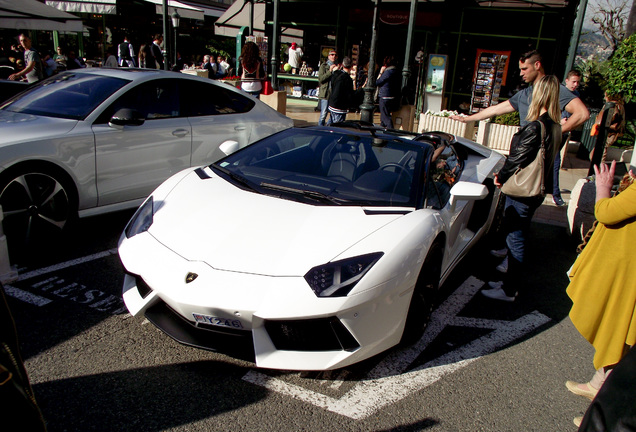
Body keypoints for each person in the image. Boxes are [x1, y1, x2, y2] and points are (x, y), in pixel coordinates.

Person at [480, 75, 563, 302]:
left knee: (515, 239)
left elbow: (517, 158)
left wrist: (501, 176)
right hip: (536, 190)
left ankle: (509, 290)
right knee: (518, 235)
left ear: (540, 95)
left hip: (522, 191)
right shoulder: (556, 126)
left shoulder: (536, 127)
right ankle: (509, 283)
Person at [564, 159, 635, 419]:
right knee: (620, 334)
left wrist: (603, 188)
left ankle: (607, 418)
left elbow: (605, 212)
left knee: (622, 335)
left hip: (629, 275)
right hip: (626, 272)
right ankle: (599, 386)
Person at [451, 50, 589, 135]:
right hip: (526, 149)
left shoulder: (555, 90)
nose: (521, 73)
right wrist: (467, 119)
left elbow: (582, 114)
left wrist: (556, 133)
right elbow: (495, 109)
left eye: (524, 69)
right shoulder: (524, 94)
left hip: (543, 155)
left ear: (537, 65)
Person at [553, 69, 583, 206]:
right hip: (554, 131)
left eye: (578, 82)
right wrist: (559, 122)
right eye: (574, 81)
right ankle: (555, 194)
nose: (576, 84)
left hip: (564, 133)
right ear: (567, 81)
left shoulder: (576, 95)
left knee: (552, 162)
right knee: (555, 162)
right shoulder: (558, 92)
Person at [590, 91, 626, 164]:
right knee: (598, 153)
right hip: (613, 132)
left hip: (608, 132)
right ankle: (598, 169)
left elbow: (612, 116)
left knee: (599, 153)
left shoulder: (612, 105)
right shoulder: (620, 105)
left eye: (605, 96)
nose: (604, 97)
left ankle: (599, 170)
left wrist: (600, 120)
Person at [376, 56, 402, 128]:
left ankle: (391, 131)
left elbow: (378, 82)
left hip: (385, 96)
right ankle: (382, 130)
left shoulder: (388, 72)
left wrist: (381, 72)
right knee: (384, 116)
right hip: (391, 96)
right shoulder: (396, 72)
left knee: (385, 117)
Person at [327, 56, 354, 124]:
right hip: (340, 106)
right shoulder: (348, 79)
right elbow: (349, 95)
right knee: (337, 126)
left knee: (331, 122)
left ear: (342, 64)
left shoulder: (336, 74)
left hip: (332, 103)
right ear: (351, 66)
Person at [318, 50, 338, 126]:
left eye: (335, 55)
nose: (334, 56)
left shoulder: (337, 67)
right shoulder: (324, 66)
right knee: (323, 114)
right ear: (328, 56)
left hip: (333, 93)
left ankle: (328, 128)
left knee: (333, 114)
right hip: (325, 93)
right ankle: (320, 130)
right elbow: (321, 79)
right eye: (332, 55)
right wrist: (330, 71)